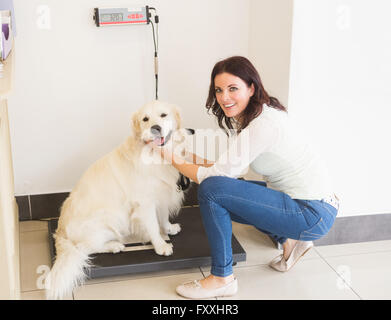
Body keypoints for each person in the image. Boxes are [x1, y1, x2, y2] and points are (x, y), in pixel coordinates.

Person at [149, 56, 339, 299]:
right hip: (313, 206)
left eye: (232, 89)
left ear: (251, 88)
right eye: (219, 90)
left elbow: (213, 179)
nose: (224, 97)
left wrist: (169, 156)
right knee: (225, 187)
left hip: (311, 213)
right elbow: (229, 171)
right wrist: (188, 155)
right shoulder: (262, 114)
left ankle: (222, 278)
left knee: (211, 190)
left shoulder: (263, 125)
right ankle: (290, 241)